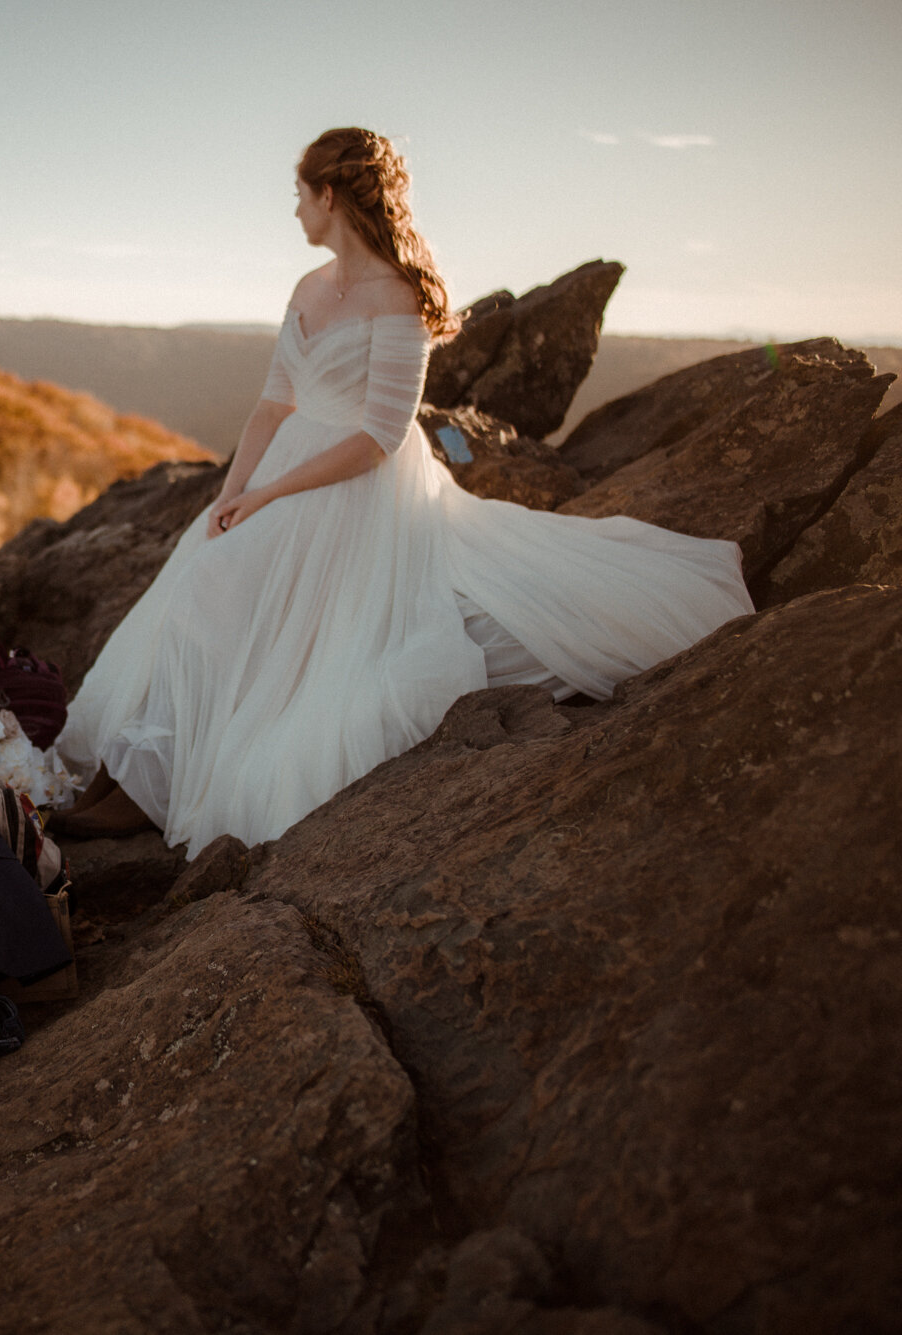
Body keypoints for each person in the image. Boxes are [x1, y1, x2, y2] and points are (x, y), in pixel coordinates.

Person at [52, 128, 753, 852]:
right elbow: (271, 404)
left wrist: (270, 497)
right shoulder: (307, 288)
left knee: (223, 587)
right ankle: (128, 764)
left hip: (356, 483)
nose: (294, 212)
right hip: (284, 468)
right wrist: (231, 494)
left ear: (329, 194)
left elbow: (380, 437)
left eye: (299, 195)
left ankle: (147, 785)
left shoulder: (403, 297)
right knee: (200, 568)